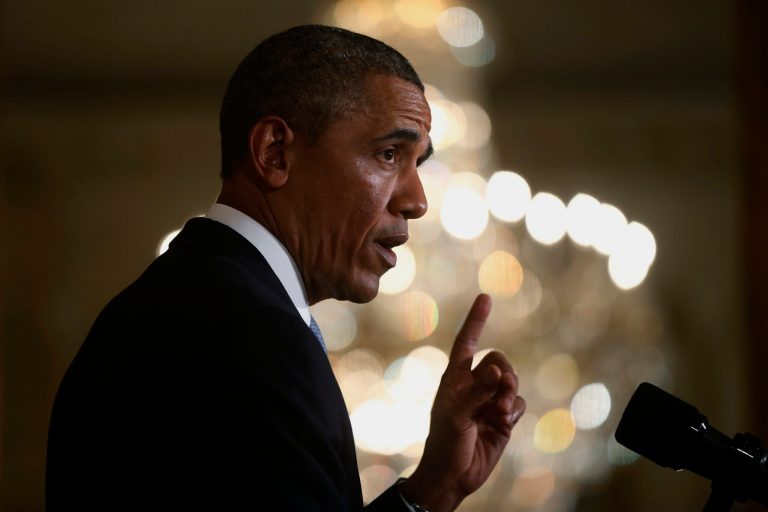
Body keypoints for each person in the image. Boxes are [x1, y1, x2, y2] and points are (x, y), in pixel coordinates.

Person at [46, 24, 526, 511]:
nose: (417, 201)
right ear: (274, 151)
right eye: (387, 154)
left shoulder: (189, 300)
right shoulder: (248, 334)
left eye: (418, 164)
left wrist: (433, 488)